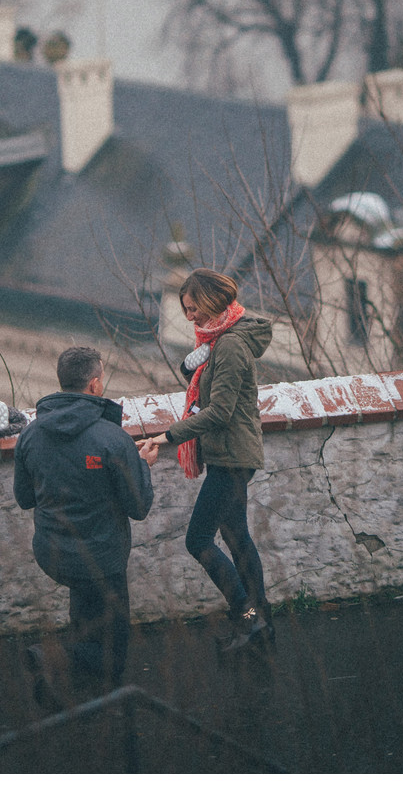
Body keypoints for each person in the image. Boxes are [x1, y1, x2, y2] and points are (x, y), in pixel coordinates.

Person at [13, 345, 158, 703]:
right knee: (113, 652)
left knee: (86, 609)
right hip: (102, 557)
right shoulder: (113, 439)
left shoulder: (30, 435)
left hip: (53, 554)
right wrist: (142, 466)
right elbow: (139, 506)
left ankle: (68, 691)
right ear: (95, 384)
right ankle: (52, 658)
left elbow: (24, 498)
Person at [142, 268, 274, 653]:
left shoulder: (230, 345)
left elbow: (220, 412)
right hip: (227, 455)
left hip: (232, 457)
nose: (189, 316)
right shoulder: (218, 343)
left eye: (192, 307)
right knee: (236, 537)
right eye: (184, 309)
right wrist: (194, 367)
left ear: (212, 299)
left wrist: (168, 436)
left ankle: (248, 618)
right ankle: (261, 623)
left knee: (198, 540)